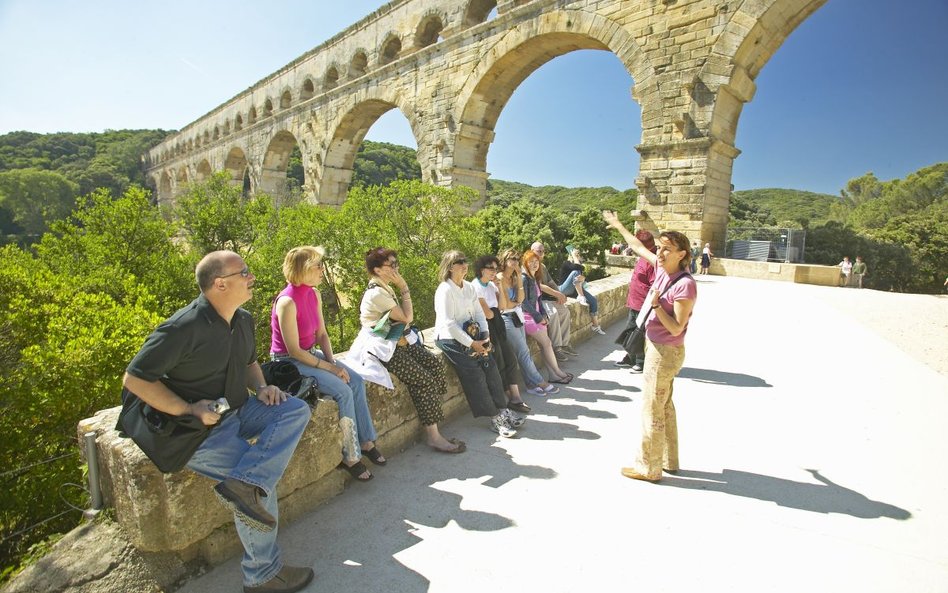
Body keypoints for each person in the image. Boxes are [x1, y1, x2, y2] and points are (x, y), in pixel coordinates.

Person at [123, 250, 314, 593]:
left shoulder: (241, 320)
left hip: (237, 411)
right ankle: (262, 576)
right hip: (192, 433)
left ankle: (246, 484)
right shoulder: (183, 328)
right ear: (220, 284)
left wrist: (263, 387)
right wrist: (188, 409)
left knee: (294, 410)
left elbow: (248, 362)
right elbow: (135, 380)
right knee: (258, 491)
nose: (252, 277)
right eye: (245, 272)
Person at [271, 246, 384, 483]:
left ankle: (366, 441)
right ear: (303, 269)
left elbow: (322, 333)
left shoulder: (313, 294)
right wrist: (331, 370)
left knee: (355, 380)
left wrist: (334, 363)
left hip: (312, 353)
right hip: (290, 362)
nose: (322, 270)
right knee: (342, 391)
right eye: (317, 266)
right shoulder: (286, 302)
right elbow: (293, 350)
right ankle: (350, 457)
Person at [603, 211, 698, 483]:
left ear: (682, 254)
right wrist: (618, 224)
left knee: (652, 409)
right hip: (657, 347)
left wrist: (657, 305)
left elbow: (677, 327)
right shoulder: (661, 269)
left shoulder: (685, 285)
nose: (660, 253)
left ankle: (649, 467)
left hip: (665, 352)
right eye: (660, 248)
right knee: (664, 406)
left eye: (667, 249)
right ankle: (669, 460)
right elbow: (636, 246)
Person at [346, 247, 465, 453]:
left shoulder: (384, 287)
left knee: (434, 364)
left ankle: (432, 415)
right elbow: (407, 318)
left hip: (398, 341)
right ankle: (433, 436)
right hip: (382, 348)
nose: (396, 268)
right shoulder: (376, 293)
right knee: (424, 380)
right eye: (391, 265)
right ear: (377, 270)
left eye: (396, 263)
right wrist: (404, 287)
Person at [433, 250, 523, 437]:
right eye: (459, 262)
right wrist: (472, 343)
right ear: (450, 267)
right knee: (474, 373)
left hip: (473, 337)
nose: (464, 264)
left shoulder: (468, 287)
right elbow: (449, 323)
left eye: (465, 260)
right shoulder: (444, 290)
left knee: (491, 367)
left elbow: (480, 314)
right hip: (450, 338)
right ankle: (495, 417)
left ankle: (503, 408)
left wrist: (485, 336)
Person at [495, 247, 560, 397]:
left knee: (523, 353)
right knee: (524, 352)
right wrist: (515, 302)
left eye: (516, 259)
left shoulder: (515, 277)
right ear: (504, 261)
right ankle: (540, 381)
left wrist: (518, 276)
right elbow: (505, 306)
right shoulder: (500, 277)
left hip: (517, 316)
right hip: (505, 318)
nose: (514, 262)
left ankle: (531, 385)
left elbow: (521, 299)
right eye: (511, 259)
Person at [473, 254, 532, 415]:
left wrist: (499, 288)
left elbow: (503, 307)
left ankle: (516, 397)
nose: (493, 272)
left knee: (511, 359)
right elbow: (489, 314)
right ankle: (506, 398)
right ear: (481, 269)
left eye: (495, 268)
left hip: (497, 324)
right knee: (499, 361)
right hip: (487, 327)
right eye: (490, 268)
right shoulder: (475, 287)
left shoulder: (492, 286)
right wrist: (495, 308)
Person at [522, 249, 574, 385]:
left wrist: (543, 314)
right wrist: (539, 317)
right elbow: (524, 302)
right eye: (531, 262)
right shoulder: (524, 278)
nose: (534, 264)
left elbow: (538, 300)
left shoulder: (533, 278)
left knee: (543, 345)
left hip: (537, 315)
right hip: (528, 317)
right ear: (525, 263)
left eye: (536, 262)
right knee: (547, 343)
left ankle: (553, 374)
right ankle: (557, 372)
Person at [615, 230, 657, 372]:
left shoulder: (652, 261)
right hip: (635, 302)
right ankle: (631, 357)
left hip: (643, 304)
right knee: (631, 331)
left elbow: (654, 285)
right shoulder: (643, 257)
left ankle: (640, 361)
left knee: (640, 332)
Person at [530, 241, 576, 361]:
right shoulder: (530, 265)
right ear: (532, 251)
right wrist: (556, 293)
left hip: (548, 298)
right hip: (538, 300)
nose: (541, 253)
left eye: (543, 251)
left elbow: (550, 282)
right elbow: (538, 286)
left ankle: (565, 344)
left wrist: (559, 294)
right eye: (539, 251)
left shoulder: (543, 266)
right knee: (553, 314)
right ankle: (557, 348)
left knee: (565, 312)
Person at [558, 245, 605, 335]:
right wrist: (574, 257)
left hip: (574, 290)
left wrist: (582, 279)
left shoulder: (577, 267)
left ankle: (595, 326)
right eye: (576, 254)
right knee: (576, 272)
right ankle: (581, 296)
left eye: (578, 254)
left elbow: (582, 278)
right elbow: (578, 268)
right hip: (563, 289)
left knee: (593, 301)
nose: (578, 256)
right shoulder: (566, 264)